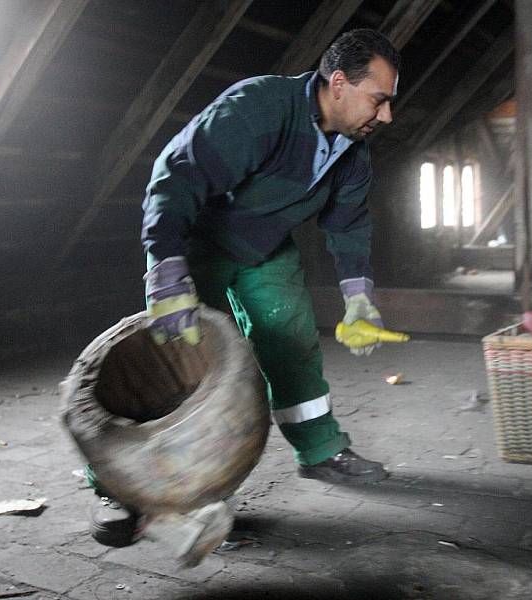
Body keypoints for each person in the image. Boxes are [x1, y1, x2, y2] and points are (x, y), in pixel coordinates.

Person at [89, 28, 400, 547]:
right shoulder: (258, 108)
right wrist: (166, 273)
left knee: (292, 338)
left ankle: (321, 449)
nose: (386, 115)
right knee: (175, 361)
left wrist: (359, 298)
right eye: (380, 100)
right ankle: (118, 489)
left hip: (265, 248)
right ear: (339, 83)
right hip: (199, 243)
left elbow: (347, 225)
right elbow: (176, 178)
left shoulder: (354, 153)